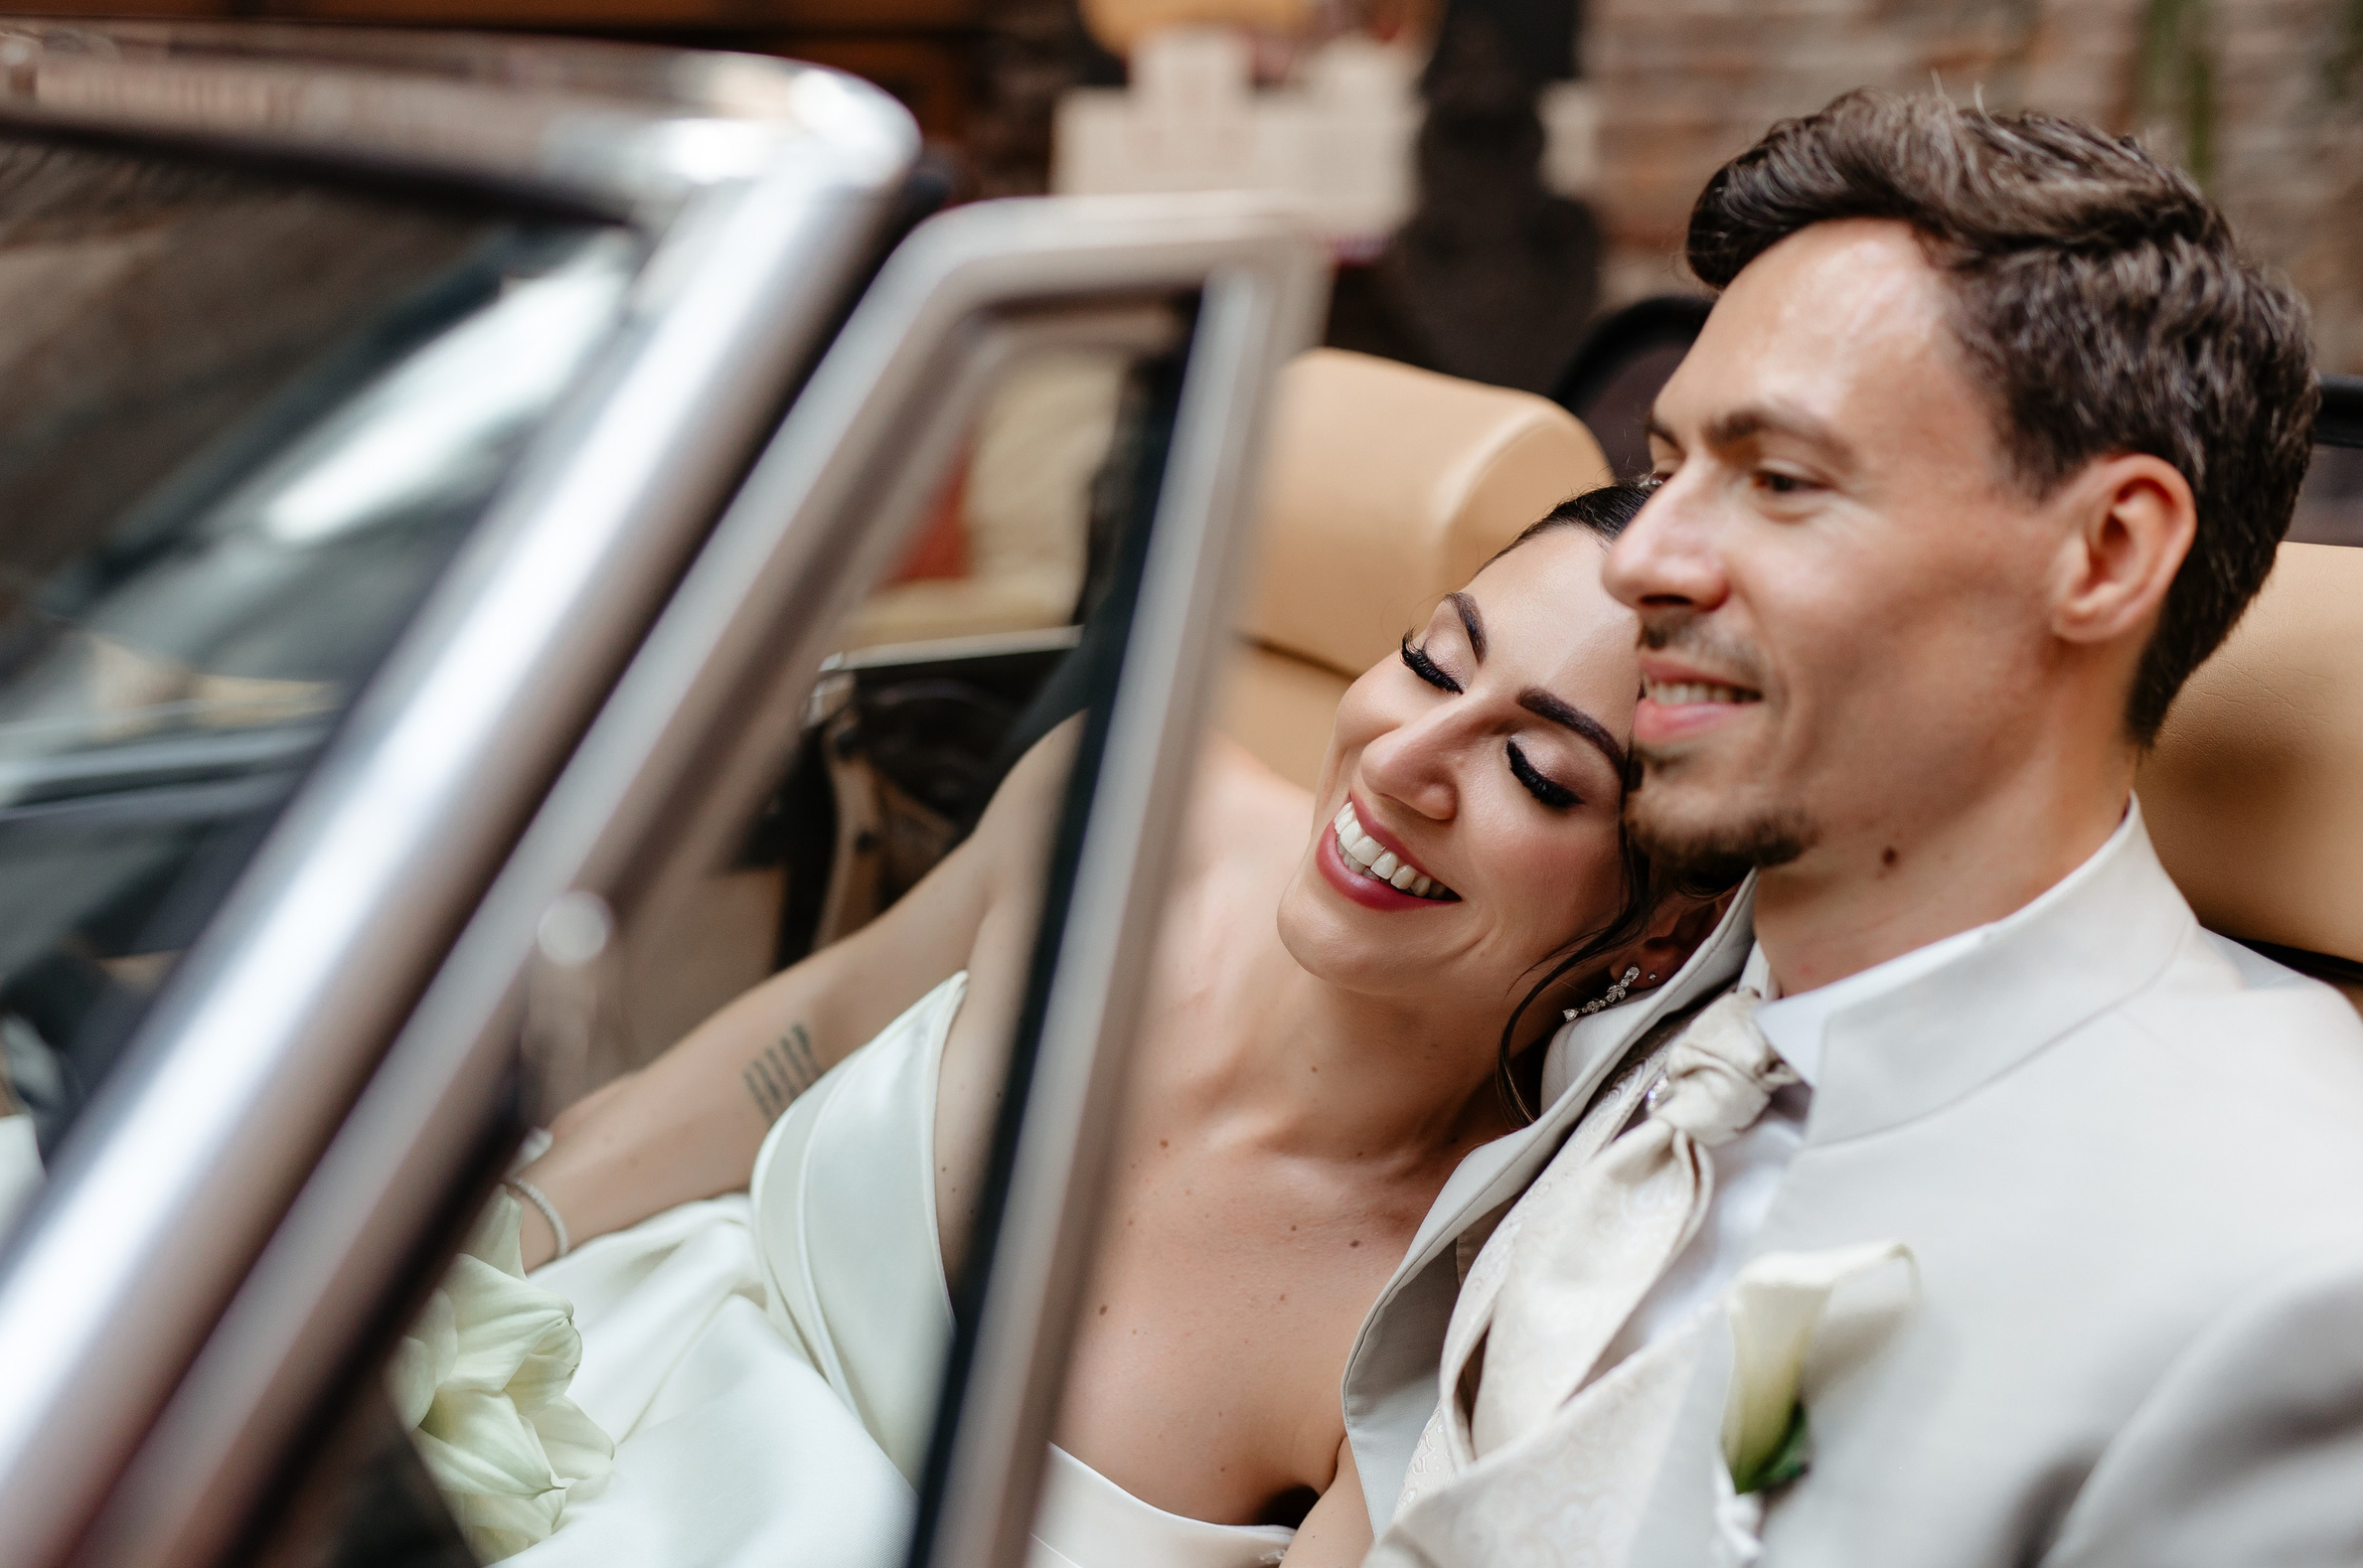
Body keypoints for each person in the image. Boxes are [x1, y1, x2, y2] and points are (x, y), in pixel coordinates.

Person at [1337, 91, 2363, 1568]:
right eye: (1669, 459)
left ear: (2107, 552)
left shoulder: (2287, 1270)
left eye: (1778, 479)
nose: (1642, 557)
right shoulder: (1656, 1002)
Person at [501, 482, 1725, 1568]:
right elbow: (813, 1032)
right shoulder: (1128, 808)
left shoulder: (1467, 1315)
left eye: (1538, 775)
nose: (1404, 758)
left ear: (1661, 932)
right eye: (1429, 661)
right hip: (564, 1376)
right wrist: (490, 1260)